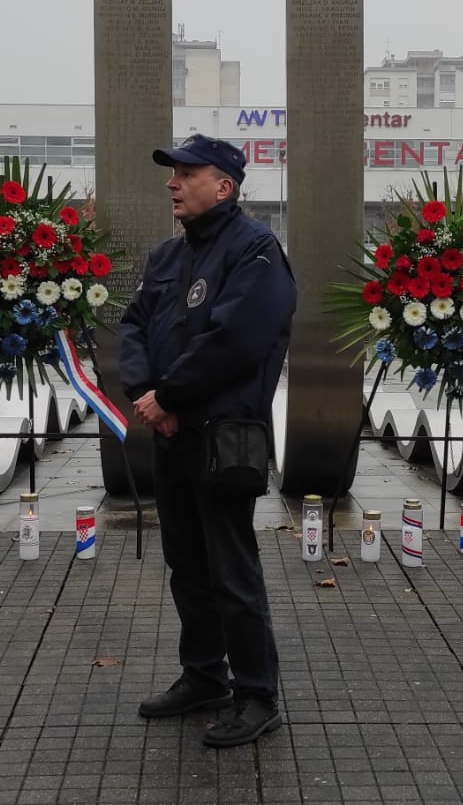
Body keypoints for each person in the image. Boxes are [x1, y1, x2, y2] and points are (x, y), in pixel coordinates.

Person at [119, 133, 296, 748]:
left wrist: (169, 397)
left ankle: (257, 693)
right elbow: (134, 326)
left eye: (186, 173)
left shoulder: (255, 250)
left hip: (224, 437)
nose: (172, 183)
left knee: (231, 569)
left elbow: (236, 340)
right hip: (172, 432)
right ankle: (204, 676)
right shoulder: (167, 256)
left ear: (223, 186)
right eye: (172, 173)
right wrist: (149, 394)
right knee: (187, 564)